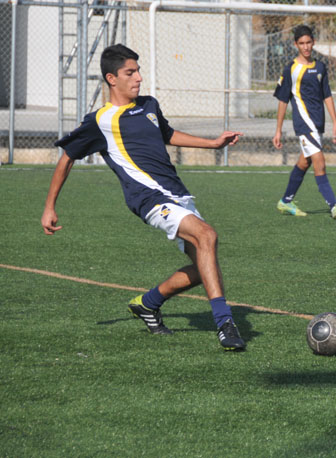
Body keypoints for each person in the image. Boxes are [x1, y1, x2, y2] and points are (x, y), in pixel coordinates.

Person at [40, 44, 247, 352]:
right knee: (208, 235)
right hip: (148, 198)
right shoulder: (100, 121)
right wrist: (49, 206)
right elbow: (67, 157)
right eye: (130, 72)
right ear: (112, 78)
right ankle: (225, 324)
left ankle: (148, 304)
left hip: (177, 194)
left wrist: (213, 144)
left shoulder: (149, 104)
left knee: (206, 268)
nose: (138, 77)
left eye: (138, 71)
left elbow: (167, 134)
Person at [272, 25, 336, 219]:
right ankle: (334, 206)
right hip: (304, 124)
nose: (306, 47)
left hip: (317, 124)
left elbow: (327, 95)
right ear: (296, 44)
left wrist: (335, 123)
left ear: (313, 42)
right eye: (301, 43)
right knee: (319, 163)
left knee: (304, 163)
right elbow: (282, 100)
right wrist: (278, 130)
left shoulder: (320, 66)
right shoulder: (291, 69)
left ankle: (285, 201)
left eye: (308, 42)